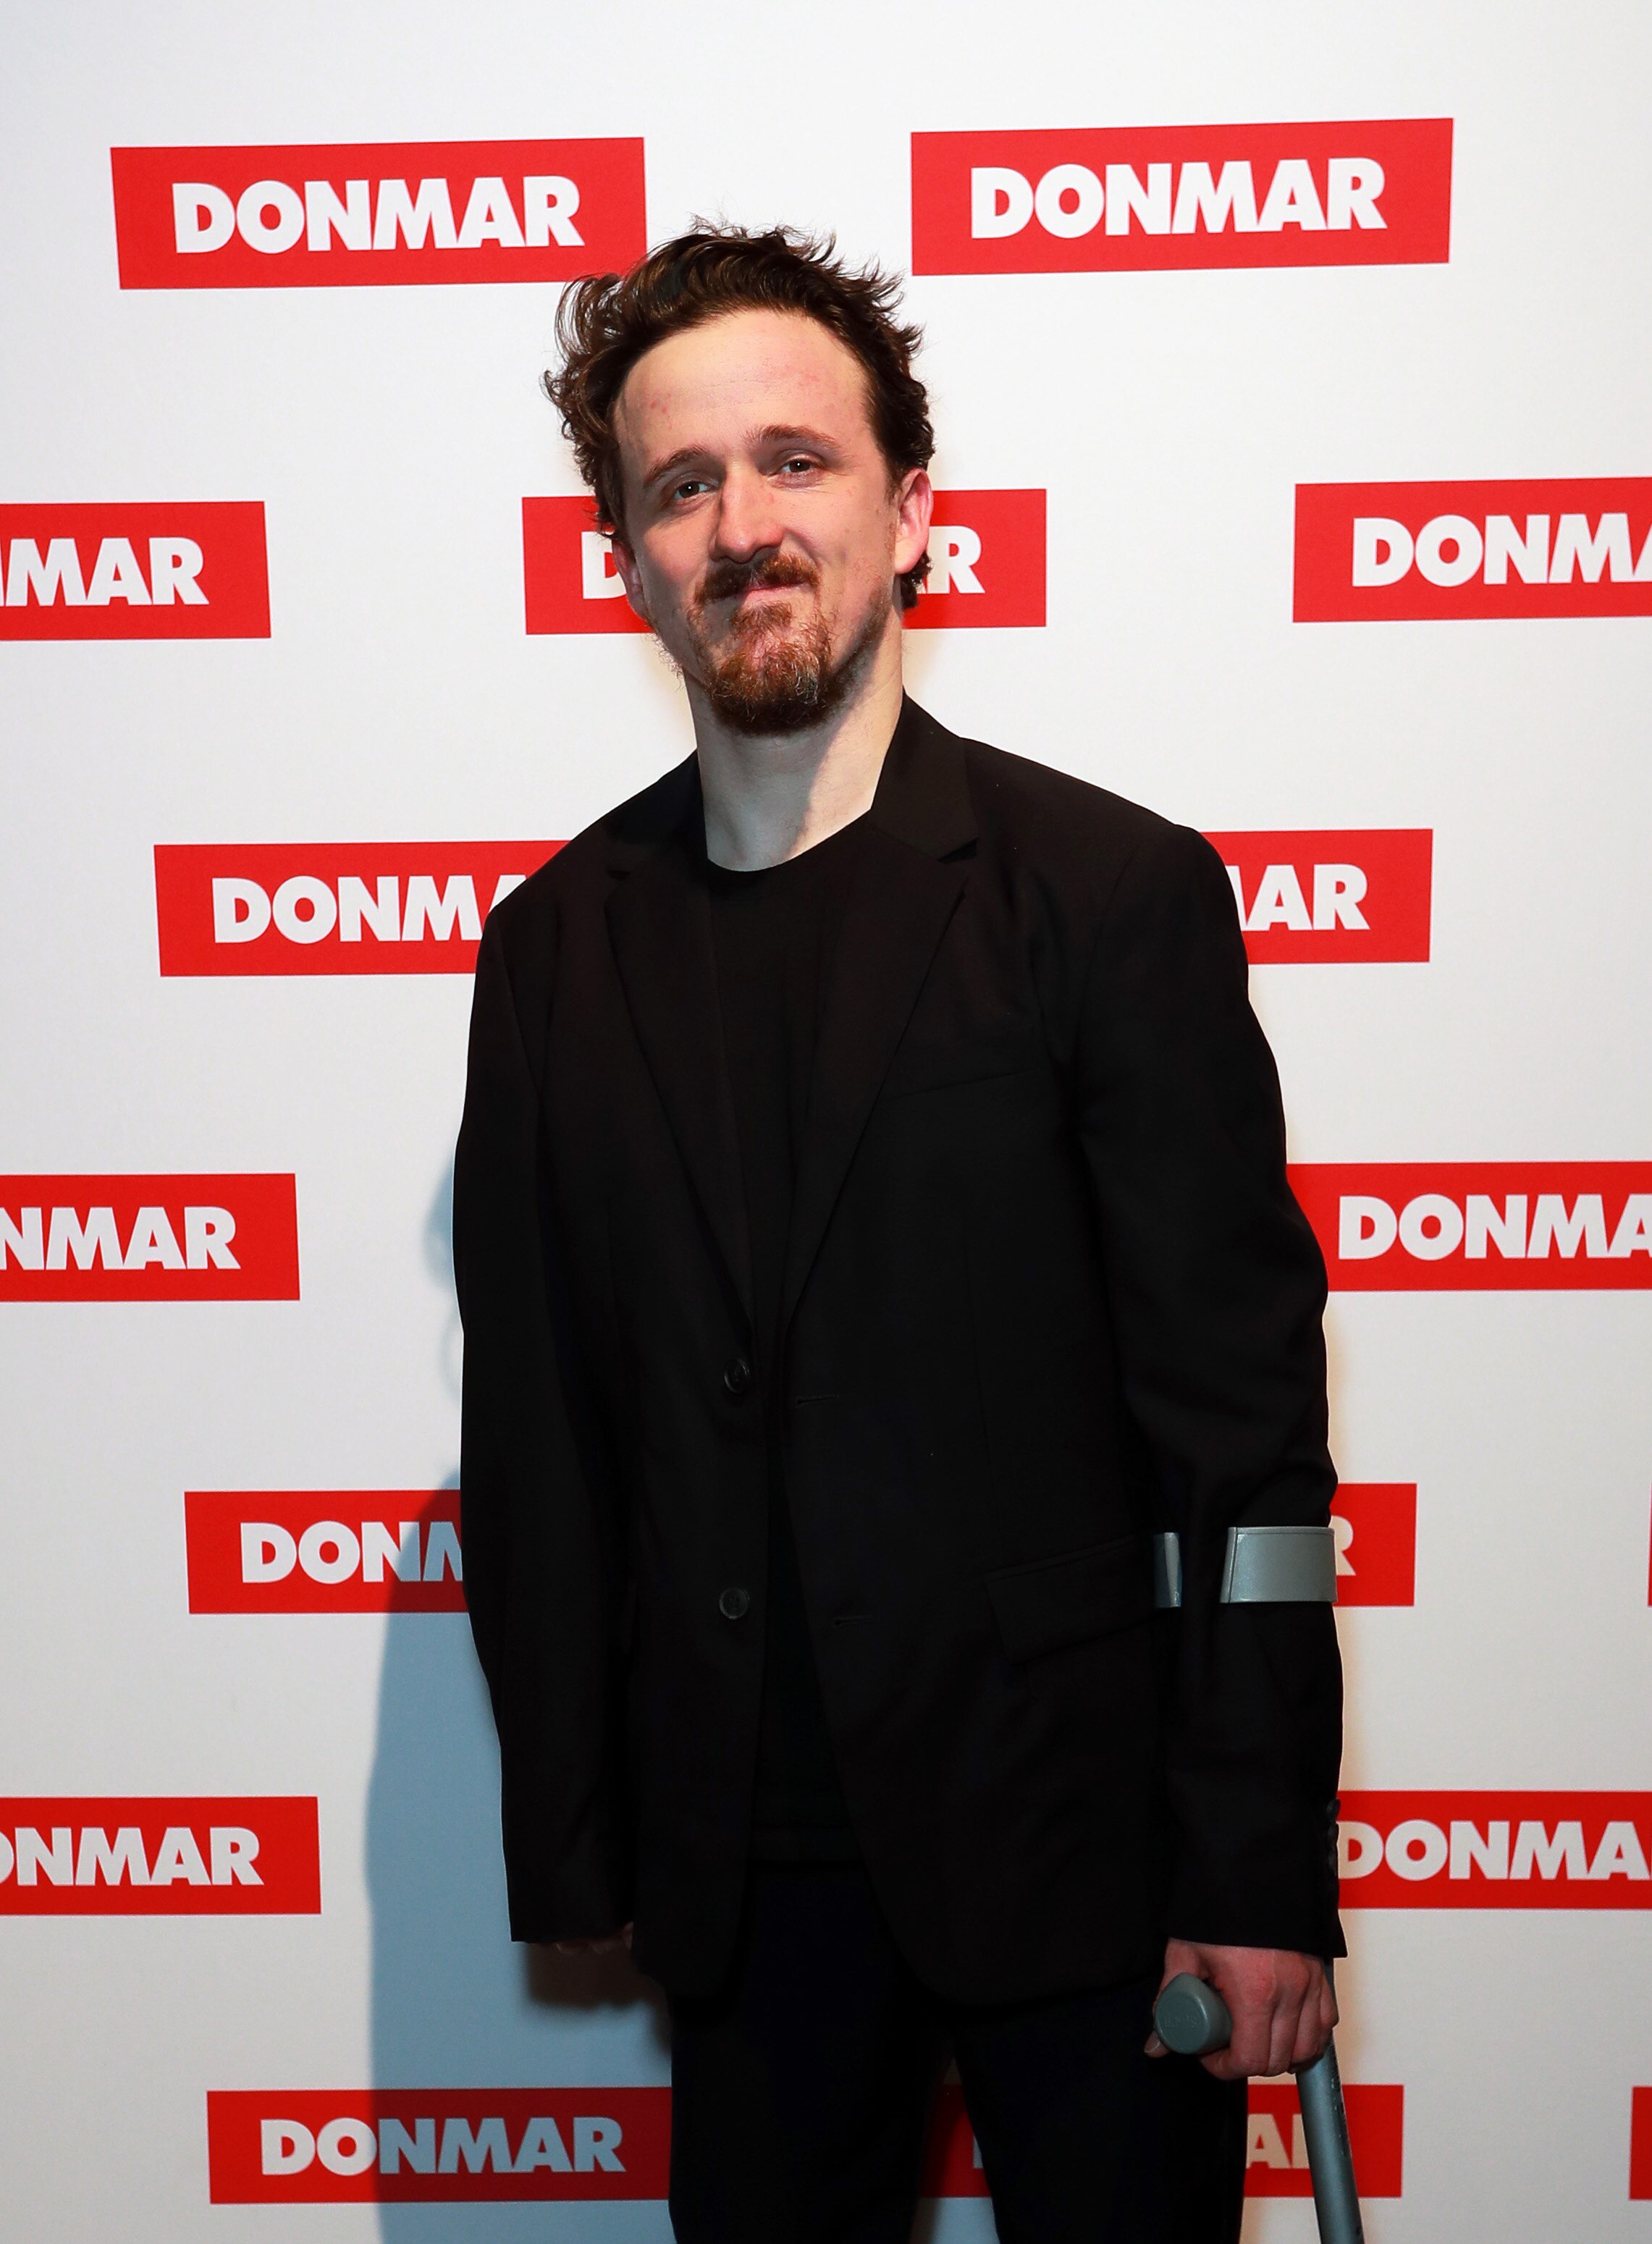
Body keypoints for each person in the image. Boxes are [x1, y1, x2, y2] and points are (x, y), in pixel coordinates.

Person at [453, 225, 1343, 2243]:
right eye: (679, 484)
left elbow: (1241, 1449)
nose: (738, 524)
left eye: (794, 461)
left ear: (911, 508)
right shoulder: (552, 952)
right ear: (625, 554)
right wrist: (577, 1841)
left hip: (1093, 1871)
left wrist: (1255, 1868)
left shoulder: (1106, 897)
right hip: (746, 1892)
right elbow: (543, 1434)